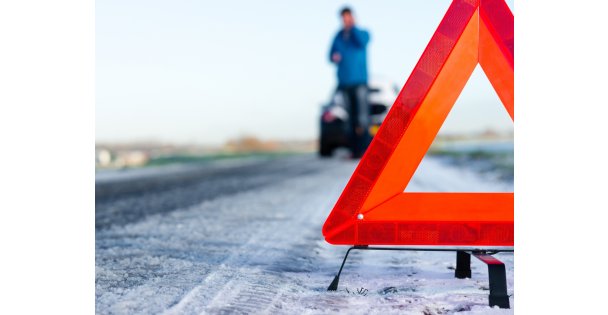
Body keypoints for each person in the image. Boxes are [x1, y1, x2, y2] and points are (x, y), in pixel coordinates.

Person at [329, 6, 371, 158]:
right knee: (350, 119)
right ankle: (354, 151)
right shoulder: (338, 36)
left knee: (362, 117)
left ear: (352, 17)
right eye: (343, 18)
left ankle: (365, 150)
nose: (345, 20)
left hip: (359, 81)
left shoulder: (362, 33)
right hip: (344, 82)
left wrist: (353, 28)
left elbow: (362, 42)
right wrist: (334, 56)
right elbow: (330, 54)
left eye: (348, 17)